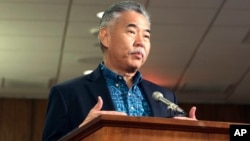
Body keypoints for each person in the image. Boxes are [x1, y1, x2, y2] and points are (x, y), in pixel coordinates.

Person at [42, 1, 197, 141]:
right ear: (105, 36)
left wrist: (191, 135)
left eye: (146, 36)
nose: (141, 42)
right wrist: (83, 132)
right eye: (131, 32)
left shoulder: (165, 98)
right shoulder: (67, 94)